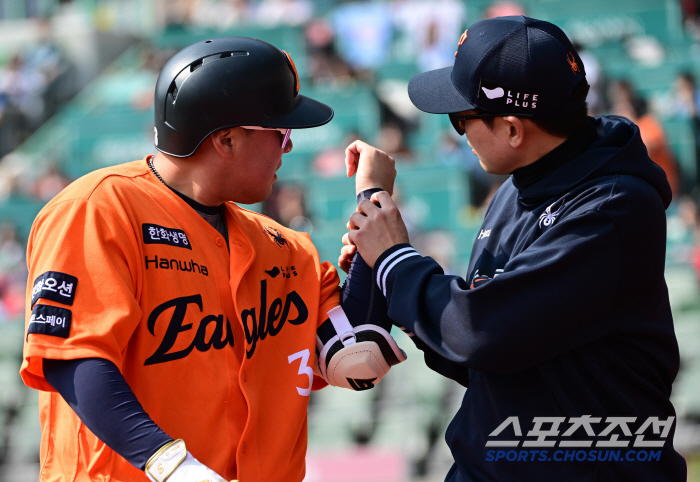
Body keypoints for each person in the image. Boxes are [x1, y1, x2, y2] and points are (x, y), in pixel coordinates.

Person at [20, 37, 405, 482]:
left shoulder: (286, 248)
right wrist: (171, 465)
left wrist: (373, 211)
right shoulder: (98, 209)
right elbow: (72, 358)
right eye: (281, 134)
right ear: (226, 140)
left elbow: (359, 361)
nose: (289, 148)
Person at [340, 16, 687, 481]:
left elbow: (479, 331)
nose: (457, 133)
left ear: (512, 130)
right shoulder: (519, 186)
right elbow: (482, 355)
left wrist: (394, 260)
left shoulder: (611, 207)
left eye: (461, 119)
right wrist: (386, 277)